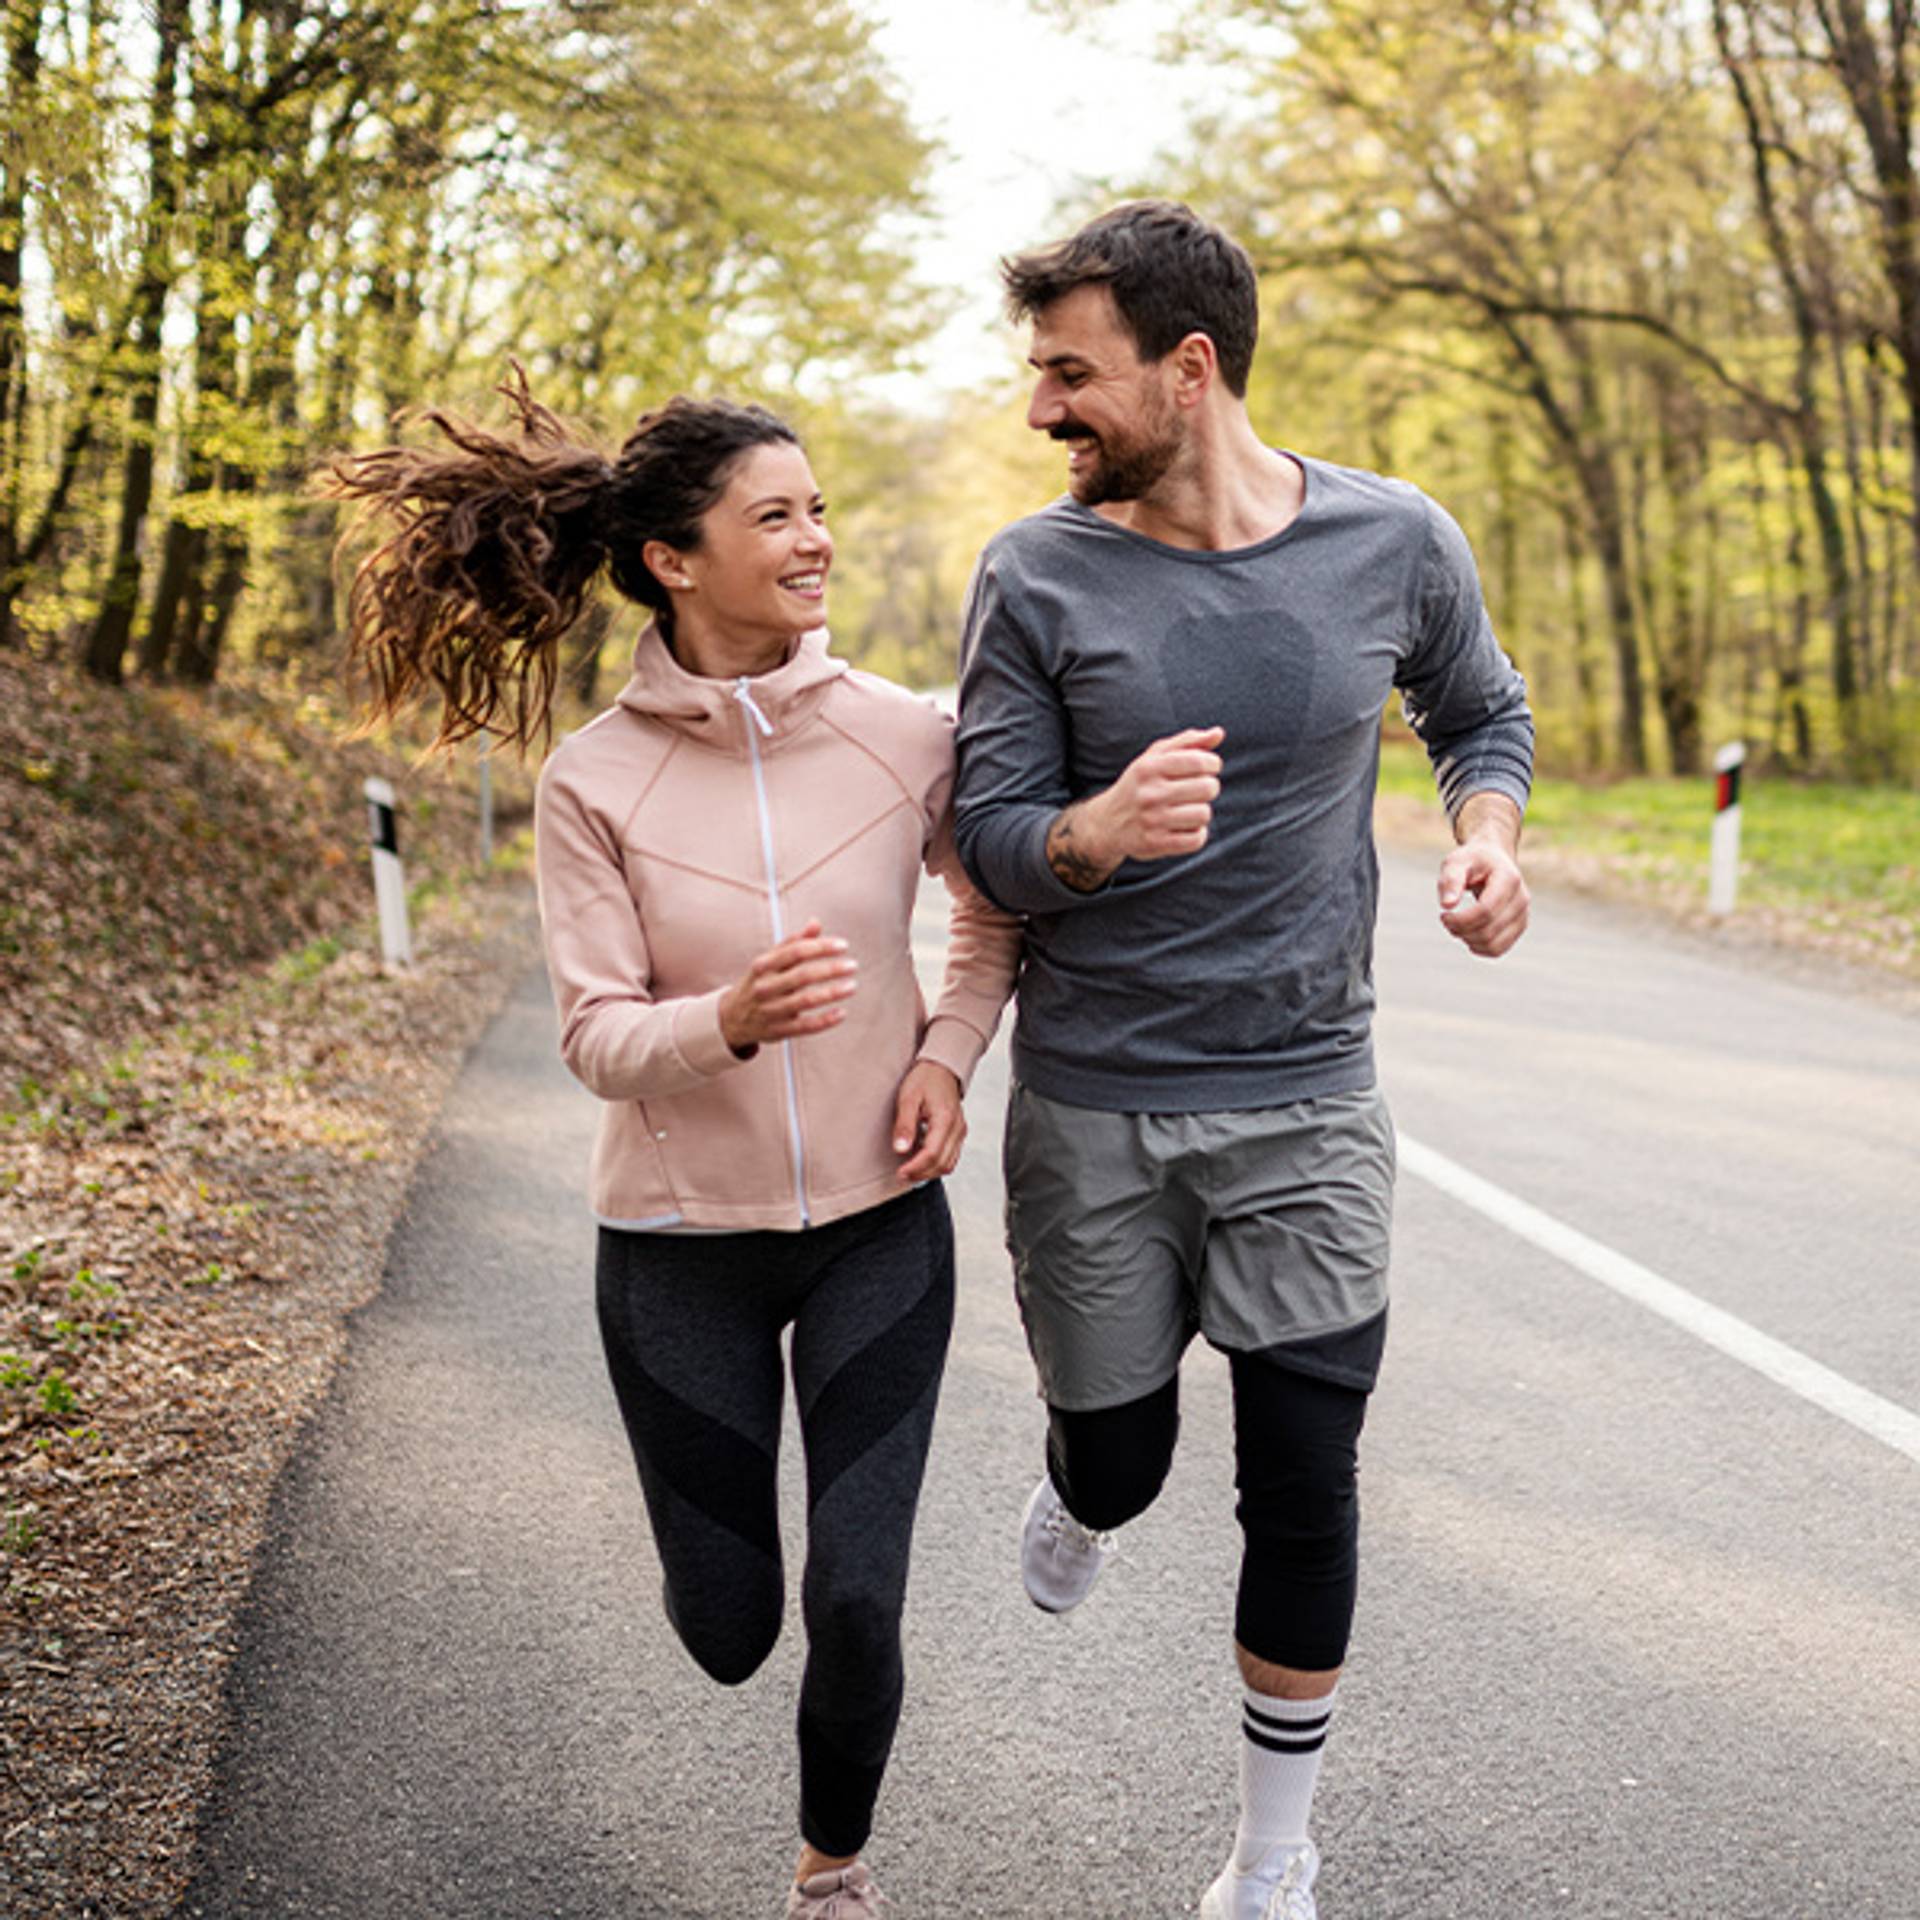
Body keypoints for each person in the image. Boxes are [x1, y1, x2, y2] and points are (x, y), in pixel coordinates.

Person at [325, 372, 1019, 1918]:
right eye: (777, 516)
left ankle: (831, 1874)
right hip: (675, 1252)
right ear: (673, 562)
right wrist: (733, 1021)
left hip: (876, 1224)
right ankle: (724, 1604)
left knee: (857, 1594)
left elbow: (990, 914)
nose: (816, 540)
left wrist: (948, 1059)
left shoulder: (910, 734)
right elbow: (596, 1038)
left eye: (820, 508)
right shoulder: (595, 780)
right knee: (730, 1629)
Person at [951, 202, 1534, 1920]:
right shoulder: (1032, 573)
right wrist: (1094, 837)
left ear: (1186, 370)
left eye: (1071, 374)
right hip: (1098, 1104)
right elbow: (983, 835)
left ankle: (1273, 1858)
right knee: (1124, 1458)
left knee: (1303, 1476)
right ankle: (1080, 1489)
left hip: (1308, 1094)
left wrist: (1486, 837)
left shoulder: (1392, 538)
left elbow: (1477, 710)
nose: (1043, 409)